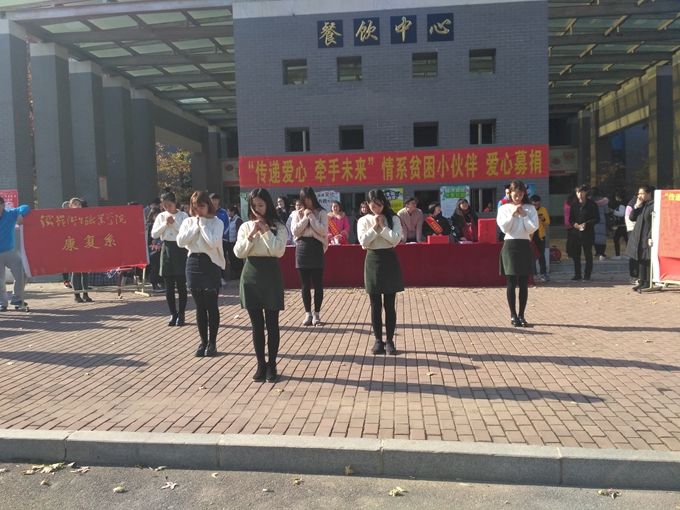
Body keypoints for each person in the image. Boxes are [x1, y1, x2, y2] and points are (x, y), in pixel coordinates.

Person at [234, 188, 287, 382]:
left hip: (271, 274)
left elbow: (278, 251)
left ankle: (272, 364)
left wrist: (265, 231)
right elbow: (238, 252)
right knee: (256, 325)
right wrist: (251, 234)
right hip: (251, 274)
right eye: (254, 206)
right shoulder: (245, 226)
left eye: (261, 205)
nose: (257, 209)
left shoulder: (278, 226)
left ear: (268, 205)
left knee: (272, 323)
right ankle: (260, 364)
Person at [177, 191, 226, 357]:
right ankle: (203, 341)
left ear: (208, 205)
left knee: (211, 304)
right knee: (200, 305)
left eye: (202, 206)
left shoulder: (217, 222)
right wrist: (195, 227)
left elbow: (213, 243)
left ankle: (212, 342)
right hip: (193, 263)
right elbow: (181, 242)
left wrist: (203, 225)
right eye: (195, 207)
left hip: (210, 263)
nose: (199, 210)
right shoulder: (188, 221)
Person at [358, 189, 404, 355]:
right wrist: (375, 227)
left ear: (384, 203)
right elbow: (363, 242)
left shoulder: (393, 219)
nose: (376, 209)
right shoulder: (363, 220)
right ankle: (378, 340)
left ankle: (390, 340)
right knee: (375, 304)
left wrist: (384, 226)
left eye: (379, 205)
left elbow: (395, 240)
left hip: (389, 259)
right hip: (372, 259)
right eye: (373, 206)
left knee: (389, 305)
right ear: (368, 205)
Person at [496, 180, 538, 327]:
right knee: (511, 281)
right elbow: (505, 228)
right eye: (515, 195)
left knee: (524, 282)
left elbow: (532, 228)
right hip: (510, 245)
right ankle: (513, 315)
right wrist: (513, 214)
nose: (518, 198)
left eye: (520, 195)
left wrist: (524, 215)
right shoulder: (504, 208)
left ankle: (522, 315)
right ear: (510, 194)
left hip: (525, 244)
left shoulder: (530, 208)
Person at [291, 187, 328, 326]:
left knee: (318, 283)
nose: (307, 201)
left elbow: (323, 230)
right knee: (305, 284)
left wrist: (311, 216)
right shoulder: (297, 213)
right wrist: (305, 217)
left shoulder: (321, 212)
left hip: (316, 247)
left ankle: (317, 313)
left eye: (309, 198)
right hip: (302, 248)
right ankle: (308, 313)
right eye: (304, 199)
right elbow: (295, 231)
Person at [152, 190, 189, 327]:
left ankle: (181, 313)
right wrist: (165, 224)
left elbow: (186, 233)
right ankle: (173, 313)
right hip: (167, 248)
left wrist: (174, 223)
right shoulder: (161, 216)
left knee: (181, 284)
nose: (167, 208)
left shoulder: (183, 215)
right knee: (169, 285)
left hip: (180, 249)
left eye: (170, 205)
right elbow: (154, 234)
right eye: (165, 206)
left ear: (175, 203)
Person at [0, 195, 30, 312]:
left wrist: (20, 214)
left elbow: (25, 207)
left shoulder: (10, 214)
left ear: (3, 205)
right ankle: (2, 303)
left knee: (23, 272)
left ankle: (17, 299)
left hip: (10, 251)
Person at [568, 184, 600, 283]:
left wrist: (586, 224)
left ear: (586, 192)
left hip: (588, 233)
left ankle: (587, 275)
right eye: (578, 192)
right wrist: (574, 224)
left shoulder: (592, 204)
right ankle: (577, 274)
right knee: (576, 255)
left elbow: (597, 219)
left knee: (588, 255)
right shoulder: (574, 205)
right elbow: (571, 219)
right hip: (576, 233)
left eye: (581, 192)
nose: (580, 194)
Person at [626, 185, 655, 293]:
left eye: (642, 193)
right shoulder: (641, 205)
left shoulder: (653, 205)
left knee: (646, 258)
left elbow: (654, 223)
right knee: (640, 258)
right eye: (639, 194)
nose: (640, 196)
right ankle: (641, 281)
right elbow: (632, 218)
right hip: (638, 235)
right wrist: (637, 206)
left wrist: (650, 236)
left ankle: (647, 281)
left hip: (647, 235)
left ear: (649, 193)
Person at [68, 197, 94, 303]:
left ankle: (85, 294)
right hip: (73, 246)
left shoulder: (85, 216)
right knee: (76, 271)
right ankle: (77, 295)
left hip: (84, 245)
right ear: (70, 206)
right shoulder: (67, 217)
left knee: (85, 271)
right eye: (75, 204)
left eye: (79, 204)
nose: (78, 206)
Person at [210, 193, 230, 286]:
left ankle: (222, 277)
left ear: (219, 201)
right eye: (212, 200)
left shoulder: (224, 212)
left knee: (222, 257)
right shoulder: (208, 211)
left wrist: (221, 235)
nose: (214, 202)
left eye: (216, 200)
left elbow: (227, 224)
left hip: (222, 239)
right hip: (211, 239)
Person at [530, 195, 551, 282]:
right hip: (530, 237)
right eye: (534, 205)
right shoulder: (529, 210)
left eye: (537, 205)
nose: (536, 206)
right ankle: (532, 274)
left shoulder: (543, 210)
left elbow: (548, 222)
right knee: (531, 256)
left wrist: (543, 219)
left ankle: (543, 273)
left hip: (540, 236)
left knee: (541, 255)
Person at [146, 206, 164, 292]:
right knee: (154, 267)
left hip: (161, 248)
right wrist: (151, 240)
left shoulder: (162, 224)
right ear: (152, 215)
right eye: (155, 215)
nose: (157, 217)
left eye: (158, 215)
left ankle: (162, 283)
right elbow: (147, 238)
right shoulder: (149, 225)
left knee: (161, 266)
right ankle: (154, 284)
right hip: (153, 249)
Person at [588, 187, 609, 260]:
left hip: (592, 219)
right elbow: (606, 211)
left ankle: (596, 252)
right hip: (601, 220)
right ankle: (602, 252)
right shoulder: (604, 201)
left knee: (594, 235)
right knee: (602, 236)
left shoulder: (589, 201)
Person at [225, 206, 244, 280]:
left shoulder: (238, 220)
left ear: (233, 212)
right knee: (231, 258)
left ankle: (239, 272)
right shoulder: (229, 220)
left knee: (237, 258)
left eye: (229, 211)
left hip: (235, 242)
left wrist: (238, 241)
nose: (228, 213)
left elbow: (239, 231)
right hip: (230, 242)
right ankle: (234, 273)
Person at [624, 195, 639, 284]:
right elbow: (630, 218)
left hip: (631, 230)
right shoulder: (634, 204)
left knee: (634, 255)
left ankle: (634, 276)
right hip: (634, 230)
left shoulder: (631, 203)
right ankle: (634, 276)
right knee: (634, 254)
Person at [609, 189, 628, 260]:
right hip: (625, 225)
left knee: (616, 238)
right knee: (626, 239)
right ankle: (627, 254)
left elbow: (621, 214)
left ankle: (618, 254)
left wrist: (613, 211)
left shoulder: (621, 204)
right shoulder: (625, 203)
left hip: (621, 225)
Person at [563, 192, 577, 258]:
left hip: (567, 221)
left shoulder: (567, 201)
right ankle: (573, 252)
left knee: (569, 238)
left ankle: (569, 252)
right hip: (574, 222)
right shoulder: (575, 200)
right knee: (574, 238)